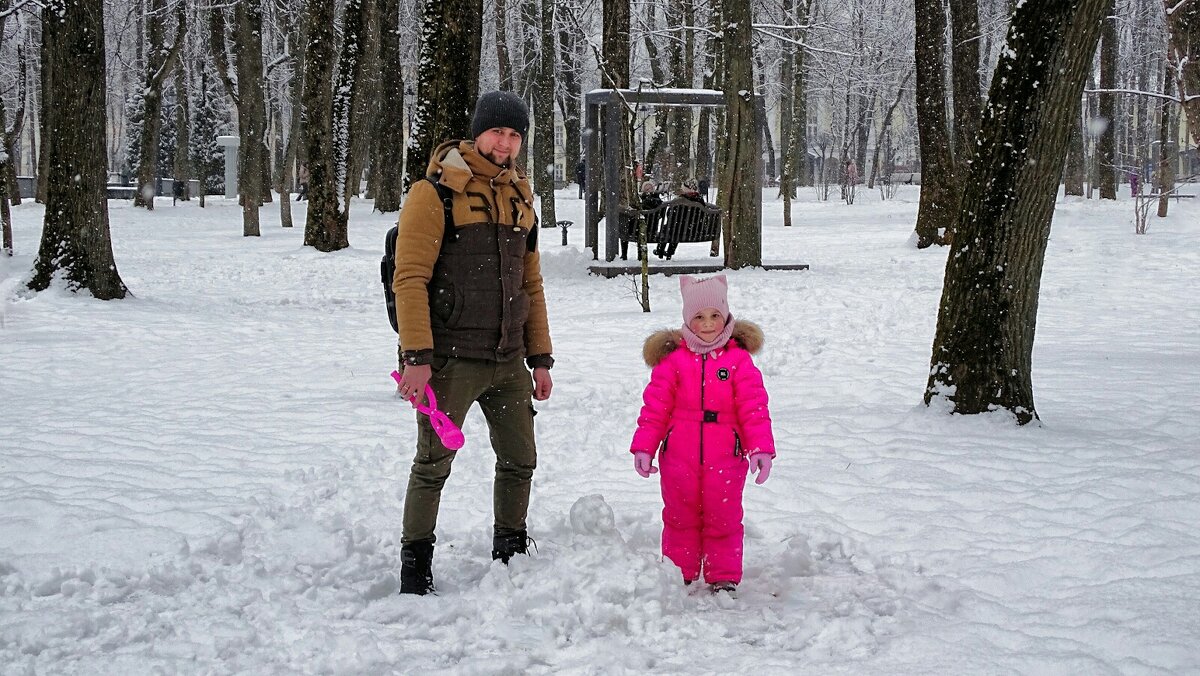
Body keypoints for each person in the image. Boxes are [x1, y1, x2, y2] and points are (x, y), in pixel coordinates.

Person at [391, 90, 555, 595]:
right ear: (478, 132)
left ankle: (510, 550)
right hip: (451, 361)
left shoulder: (521, 197)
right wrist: (417, 357)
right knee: (433, 465)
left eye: (514, 135)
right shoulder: (435, 192)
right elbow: (410, 278)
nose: (505, 143)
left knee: (520, 461)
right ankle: (415, 566)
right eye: (497, 132)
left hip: (508, 361)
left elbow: (531, 284)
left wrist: (540, 357)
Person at [630, 274, 775, 595]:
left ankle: (722, 574)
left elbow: (754, 407)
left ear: (726, 316)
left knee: (724, 515)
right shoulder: (674, 361)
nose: (708, 324)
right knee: (679, 514)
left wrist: (761, 448)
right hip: (678, 454)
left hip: (726, 456)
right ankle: (679, 570)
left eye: (714, 315)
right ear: (687, 319)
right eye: (699, 317)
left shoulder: (738, 360)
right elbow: (655, 407)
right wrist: (644, 447)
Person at [654, 178, 705, 260]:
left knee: (668, 229)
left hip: (678, 229)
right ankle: (669, 252)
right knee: (675, 230)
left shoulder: (680, 201)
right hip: (694, 230)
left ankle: (660, 250)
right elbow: (702, 215)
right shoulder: (699, 200)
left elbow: (670, 214)